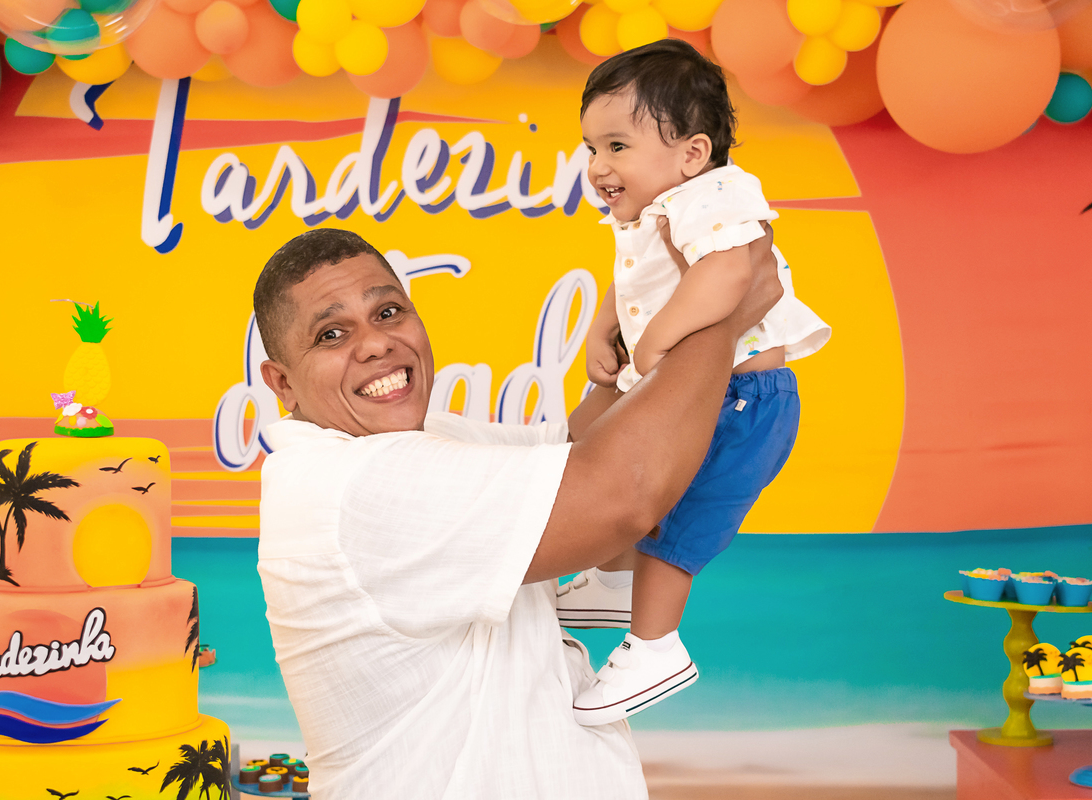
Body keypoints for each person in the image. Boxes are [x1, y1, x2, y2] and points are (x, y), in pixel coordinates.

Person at [253, 226, 783, 799]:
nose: (376, 344)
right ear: (283, 383)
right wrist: (725, 316)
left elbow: (582, 452)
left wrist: (659, 312)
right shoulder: (353, 488)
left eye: (388, 312)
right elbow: (621, 496)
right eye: (331, 334)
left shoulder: (424, 442)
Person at [559, 40, 831, 727]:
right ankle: (613, 582)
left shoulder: (715, 194)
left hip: (742, 405)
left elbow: (731, 273)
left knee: (677, 527)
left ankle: (655, 647)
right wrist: (604, 327)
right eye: (591, 148)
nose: (598, 166)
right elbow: (637, 277)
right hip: (711, 398)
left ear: (692, 152)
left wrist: (654, 341)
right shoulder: (661, 207)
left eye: (617, 146)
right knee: (630, 482)